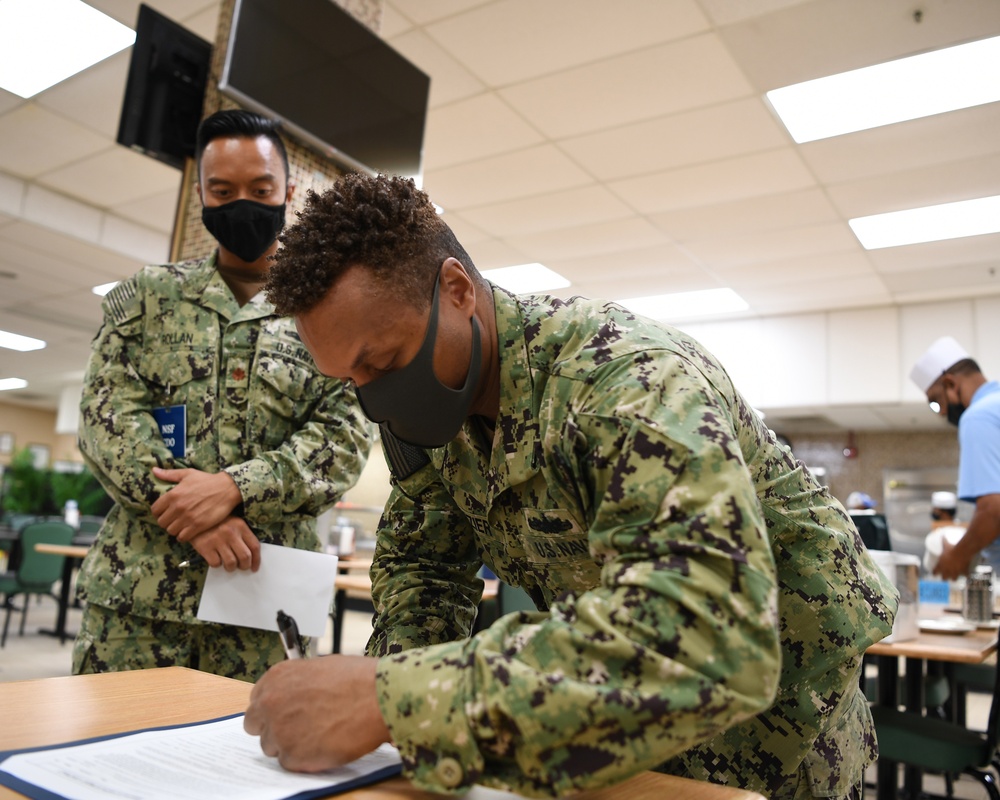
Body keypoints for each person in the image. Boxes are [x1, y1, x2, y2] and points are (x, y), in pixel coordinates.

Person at [244, 173, 897, 800]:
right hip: (604, 733)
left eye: (380, 363)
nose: (373, 398)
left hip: (771, 739)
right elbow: (421, 576)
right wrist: (381, 710)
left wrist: (393, 699)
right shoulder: (426, 414)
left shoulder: (624, 381)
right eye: (350, 380)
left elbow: (706, 634)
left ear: (457, 291)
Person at [72, 110, 372, 682]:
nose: (242, 204)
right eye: (222, 190)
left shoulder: (329, 309)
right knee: (105, 756)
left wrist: (237, 486)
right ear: (202, 197)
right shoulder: (149, 297)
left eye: (260, 190)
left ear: (288, 190)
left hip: (266, 607)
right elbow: (104, 416)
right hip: (138, 601)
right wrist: (195, 515)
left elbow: (345, 435)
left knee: (250, 760)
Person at [910, 336, 1000, 580]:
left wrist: (957, 556)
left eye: (936, 402)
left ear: (950, 383)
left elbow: (993, 508)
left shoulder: (978, 417)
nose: (942, 414)